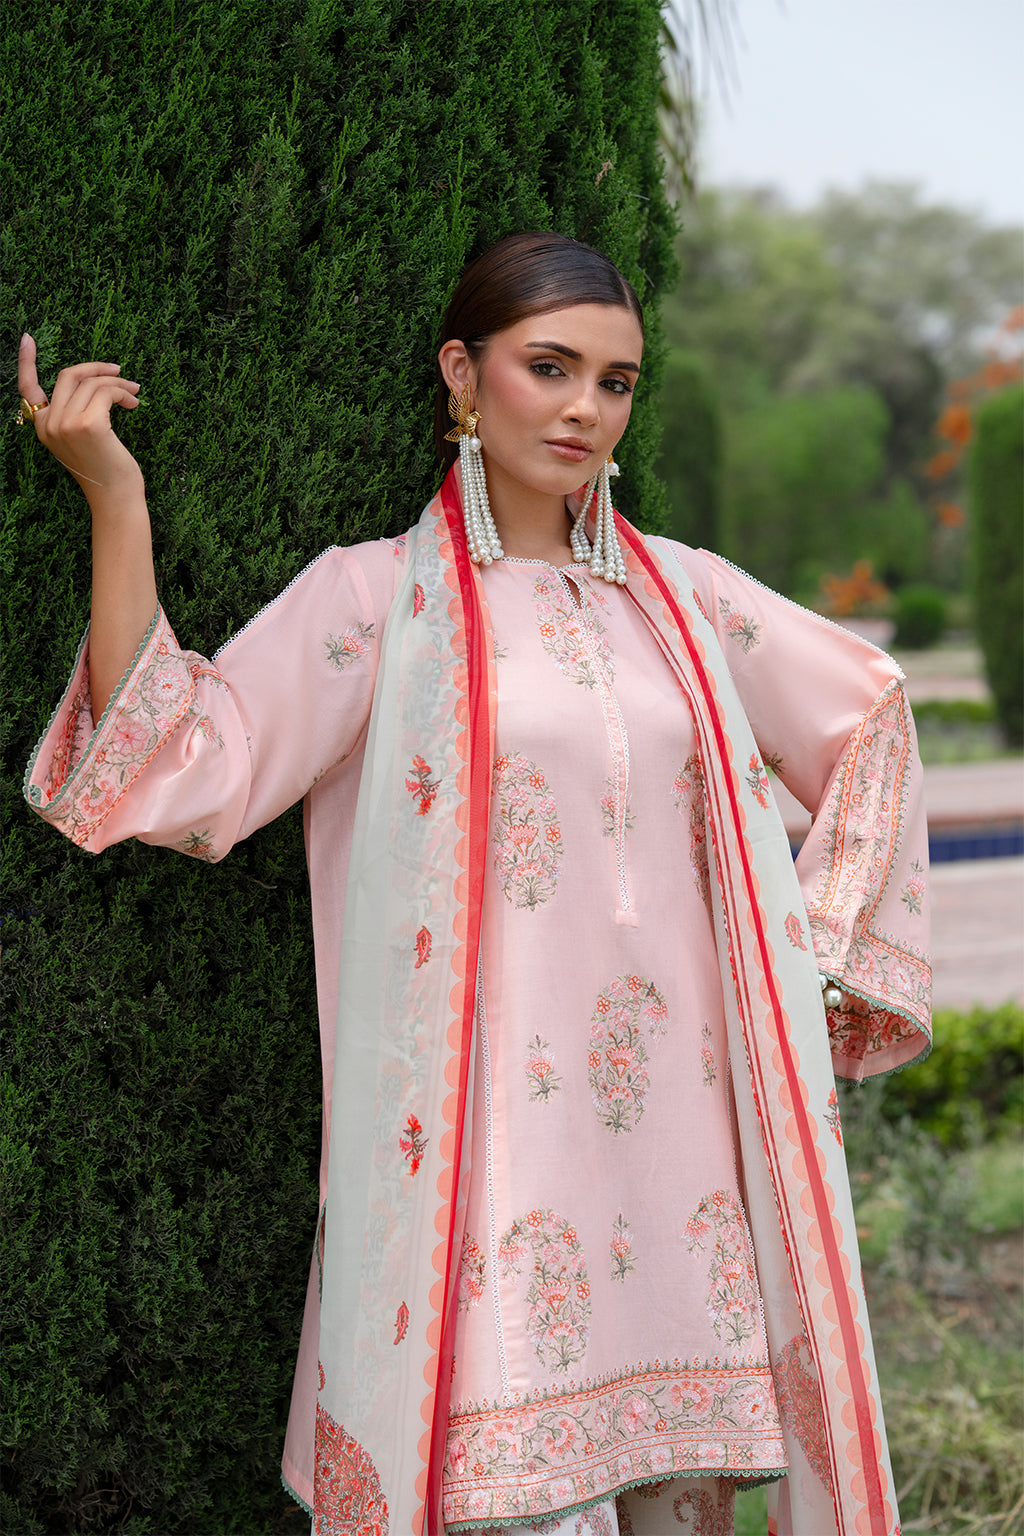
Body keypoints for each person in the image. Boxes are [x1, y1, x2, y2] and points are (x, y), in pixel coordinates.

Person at [20, 231, 930, 1536]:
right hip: (494, 1161)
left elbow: (872, 717)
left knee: (687, 1489)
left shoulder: (688, 599)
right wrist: (117, 500)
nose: (584, 410)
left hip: (688, 1160)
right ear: (463, 373)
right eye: (548, 367)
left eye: (615, 382)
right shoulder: (375, 603)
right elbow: (184, 762)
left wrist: (819, 977)